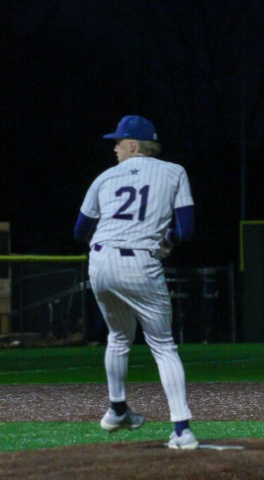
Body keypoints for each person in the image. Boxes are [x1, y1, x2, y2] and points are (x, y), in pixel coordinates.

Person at [74, 115, 198, 449]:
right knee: (163, 345)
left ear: (133, 144)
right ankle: (182, 430)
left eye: (118, 142)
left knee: (118, 337)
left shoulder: (103, 178)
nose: (114, 148)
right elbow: (186, 229)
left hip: (100, 262)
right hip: (140, 262)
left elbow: (79, 230)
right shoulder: (174, 172)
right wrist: (168, 238)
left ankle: (117, 410)